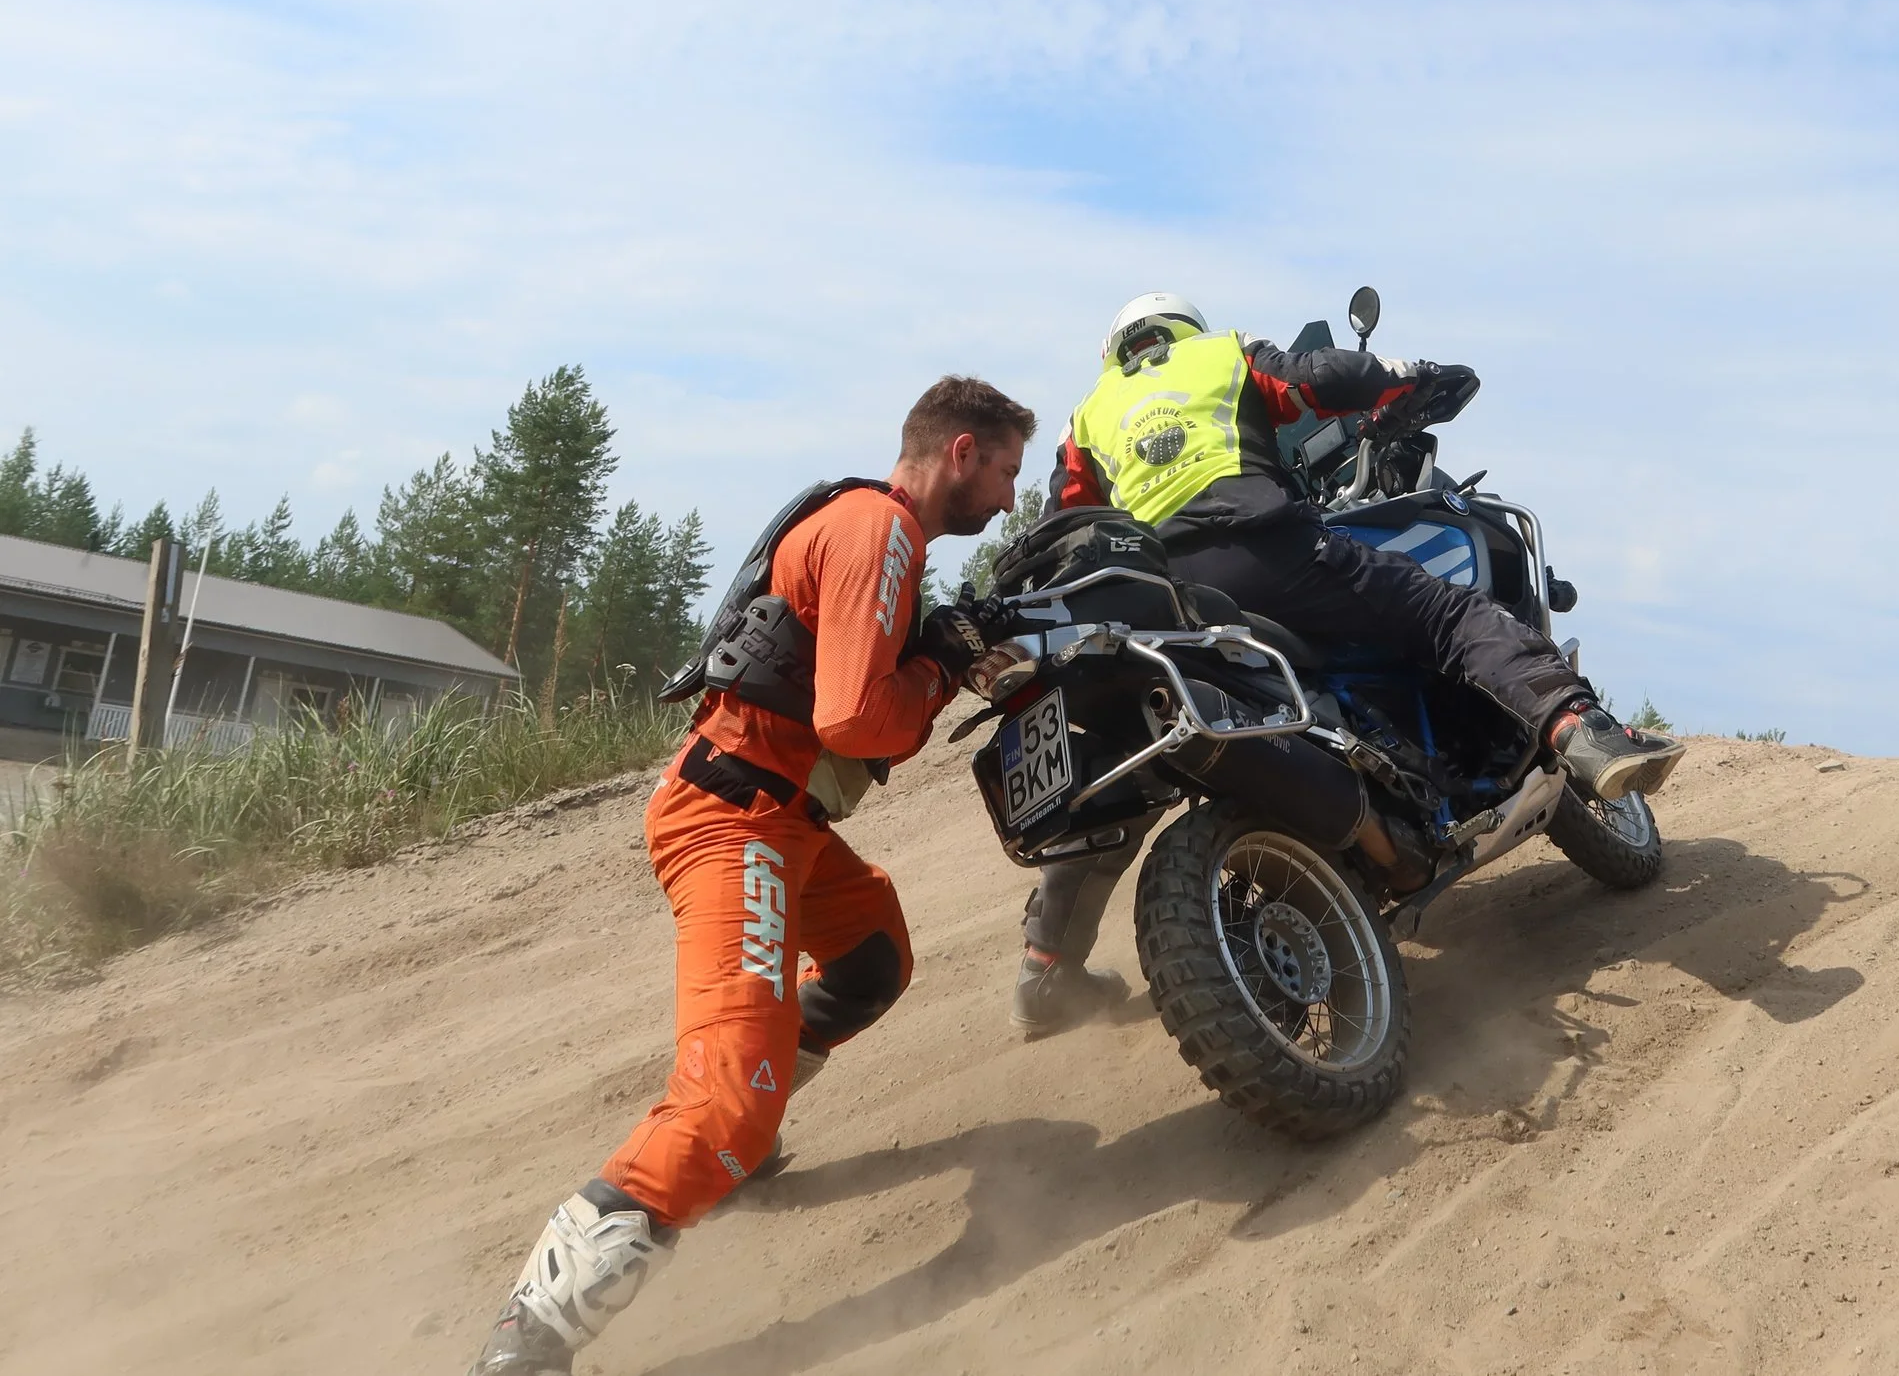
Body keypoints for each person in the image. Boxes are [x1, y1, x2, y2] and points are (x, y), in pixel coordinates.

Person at [465, 377, 1034, 1375]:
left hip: (780, 817)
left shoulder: (869, 529)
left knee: (872, 957)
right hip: (739, 820)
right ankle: (529, 1340)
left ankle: (747, 1152)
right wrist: (941, 668)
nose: (1008, 495)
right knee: (727, 1102)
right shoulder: (882, 529)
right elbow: (856, 722)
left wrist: (937, 647)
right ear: (959, 452)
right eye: (1005, 470)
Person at [1007, 293, 1677, 1038]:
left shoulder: (1088, 416)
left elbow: (1061, 519)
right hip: (1264, 551)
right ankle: (1581, 727)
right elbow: (1315, 377)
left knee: (1137, 759)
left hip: (1168, 599)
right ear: (1179, 327)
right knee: (1440, 613)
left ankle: (1046, 966)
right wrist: (1409, 375)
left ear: (1114, 351)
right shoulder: (1219, 352)